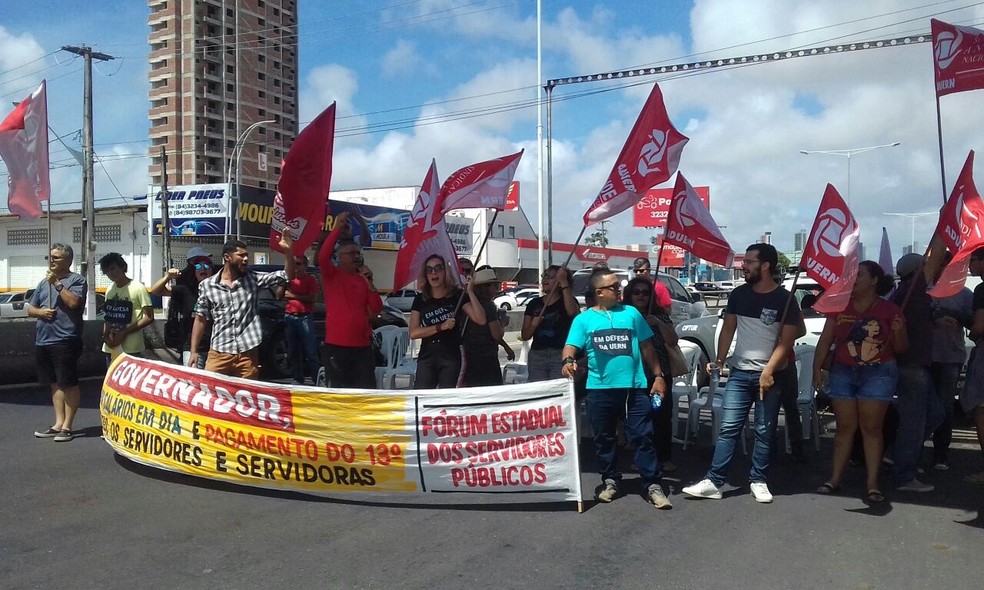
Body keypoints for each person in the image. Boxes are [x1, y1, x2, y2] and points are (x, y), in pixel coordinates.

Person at [682, 243, 801, 504]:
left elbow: (787, 341)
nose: (743, 266)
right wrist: (720, 359)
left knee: (764, 429)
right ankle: (714, 481)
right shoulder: (738, 295)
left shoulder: (785, 300)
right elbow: (728, 329)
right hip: (739, 373)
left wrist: (769, 371)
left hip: (770, 376)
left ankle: (758, 480)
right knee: (728, 427)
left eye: (748, 261)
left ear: (765, 265)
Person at [562, 271, 671, 508]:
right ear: (599, 292)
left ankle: (652, 484)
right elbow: (570, 347)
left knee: (642, 436)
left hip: (635, 387)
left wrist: (658, 376)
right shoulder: (584, 320)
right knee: (604, 438)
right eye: (613, 287)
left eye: (618, 286)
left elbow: (646, 347)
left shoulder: (631, 314)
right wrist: (568, 362)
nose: (619, 289)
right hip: (599, 389)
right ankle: (610, 480)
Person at [812, 261, 904, 504]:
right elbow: (825, 340)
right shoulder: (839, 307)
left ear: (874, 280)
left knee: (871, 429)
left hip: (878, 373)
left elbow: (902, 348)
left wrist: (898, 331)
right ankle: (834, 479)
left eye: (859, 275)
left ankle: (872, 484)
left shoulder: (890, 310)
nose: (853, 279)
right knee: (844, 428)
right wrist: (816, 369)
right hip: (843, 371)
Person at [191, 234, 296, 378]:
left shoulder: (253, 279)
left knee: (246, 397)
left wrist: (288, 252)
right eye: (241, 255)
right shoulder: (207, 286)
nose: (246, 259)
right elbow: (200, 319)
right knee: (211, 393)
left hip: (247, 355)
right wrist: (193, 351)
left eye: (247, 255)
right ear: (227, 257)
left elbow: (287, 276)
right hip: (219, 353)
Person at [889, 253, 945, 493]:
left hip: (915, 365)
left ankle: (897, 455)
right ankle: (904, 474)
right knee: (916, 422)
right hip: (911, 366)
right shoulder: (913, 288)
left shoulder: (904, 292)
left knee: (935, 413)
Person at [28, 244, 87, 443]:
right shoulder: (43, 283)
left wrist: (58, 285)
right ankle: (58, 423)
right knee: (54, 384)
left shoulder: (77, 280)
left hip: (65, 339)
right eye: (50, 257)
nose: (52, 261)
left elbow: (73, 303)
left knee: (68, 383)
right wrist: (40, 313)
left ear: (68, 260)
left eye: (57, 258)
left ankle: (68, 426)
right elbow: (31, 308)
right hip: (44, 339)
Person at [318, 211, 383, 388]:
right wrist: (337, 229)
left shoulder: (362, 279)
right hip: (337, 347)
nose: (356, 256)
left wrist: (370, 283)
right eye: (351, 253)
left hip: (362, 348)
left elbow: (376, 308)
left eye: (357, 253)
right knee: (340, 393)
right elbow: (323, 257)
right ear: (339, 258)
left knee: (365, 391)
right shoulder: (332, 275)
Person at [623, 275, 678, 472]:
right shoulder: (624, 316)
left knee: (661, 417)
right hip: (633, 376)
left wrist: (657, 323)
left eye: (645, 293)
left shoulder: (660, 315)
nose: (641, 296)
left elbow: (673, 341)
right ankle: (641, 458)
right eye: (636, 292)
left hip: (659, 375)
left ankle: (664, 457)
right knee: (638, 420)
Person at [409, 254, 486, 389]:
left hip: (451, 355)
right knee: (421, 396)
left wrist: (471, 292)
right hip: (427, 355)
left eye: (438, 268)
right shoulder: (420, 299)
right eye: (429, 269)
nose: (434, 273)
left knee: (447, 399)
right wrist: (440, 327)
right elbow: (414, 332)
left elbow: (481, 319)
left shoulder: (456, 296)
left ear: (446, 271)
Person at [930, 282, 973, 471]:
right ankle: (912, 453)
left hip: (951, 357)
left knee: (946, 405)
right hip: (924, 357)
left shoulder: (964, 294)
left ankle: (941, 453)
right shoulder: (924, 289)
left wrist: (955, 314)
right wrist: (936, 316)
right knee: (921, 406)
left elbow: (974, 323)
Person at [149, 247, 213, 368]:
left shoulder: (220, 289)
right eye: (198, 266)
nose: (203, 269)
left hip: (215, 349)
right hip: (191, 347)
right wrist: (168, 277)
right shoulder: (185, 289)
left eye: (207, 266)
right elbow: (155, 290)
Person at [522, 265, 579, 382]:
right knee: (538, 391)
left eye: (551, 277)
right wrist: (533, 325)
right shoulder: (534, 303)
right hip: (537, 354)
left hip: (560, 353)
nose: (545, 279)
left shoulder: (568, 301)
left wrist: (564, 282)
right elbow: (525, 335)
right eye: (544, 276)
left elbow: (572, 312)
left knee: (558, 390)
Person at [460, 268, 512, 387]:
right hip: (487, 358)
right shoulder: (488, 305)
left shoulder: (468, 303)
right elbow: (496, 335)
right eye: (495, 286)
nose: (496, 290)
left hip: (468, 356)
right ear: (486, 287)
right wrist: (503, 324)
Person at [99, 252, 155, 359]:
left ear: (123, 267)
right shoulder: (109, 290)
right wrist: (105, 335)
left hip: (131, 349)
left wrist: (125, 332)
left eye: (113, 268)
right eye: (107, 271)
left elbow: (149, 317)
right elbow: (108, 317)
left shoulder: (138, 288)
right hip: (110, 347)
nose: (110, 273)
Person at [960, 247, 984, 482]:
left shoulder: (981, 289)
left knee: (981, 409)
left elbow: (979, 326)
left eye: (973, 260)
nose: (969, 265)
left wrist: (958, 319)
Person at [282, 253, 322, 385]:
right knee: (293, 351)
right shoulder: (289, 279)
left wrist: (293, 295)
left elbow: (312, 298)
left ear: (305, 266)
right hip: (289, 316)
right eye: (294, 264)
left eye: (298, 264)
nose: (295, 267)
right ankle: (297, 378)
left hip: (304, 317)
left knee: (310, 350)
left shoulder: (310, 279)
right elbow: (279, 295)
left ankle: (316, 379)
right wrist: (284, 282)